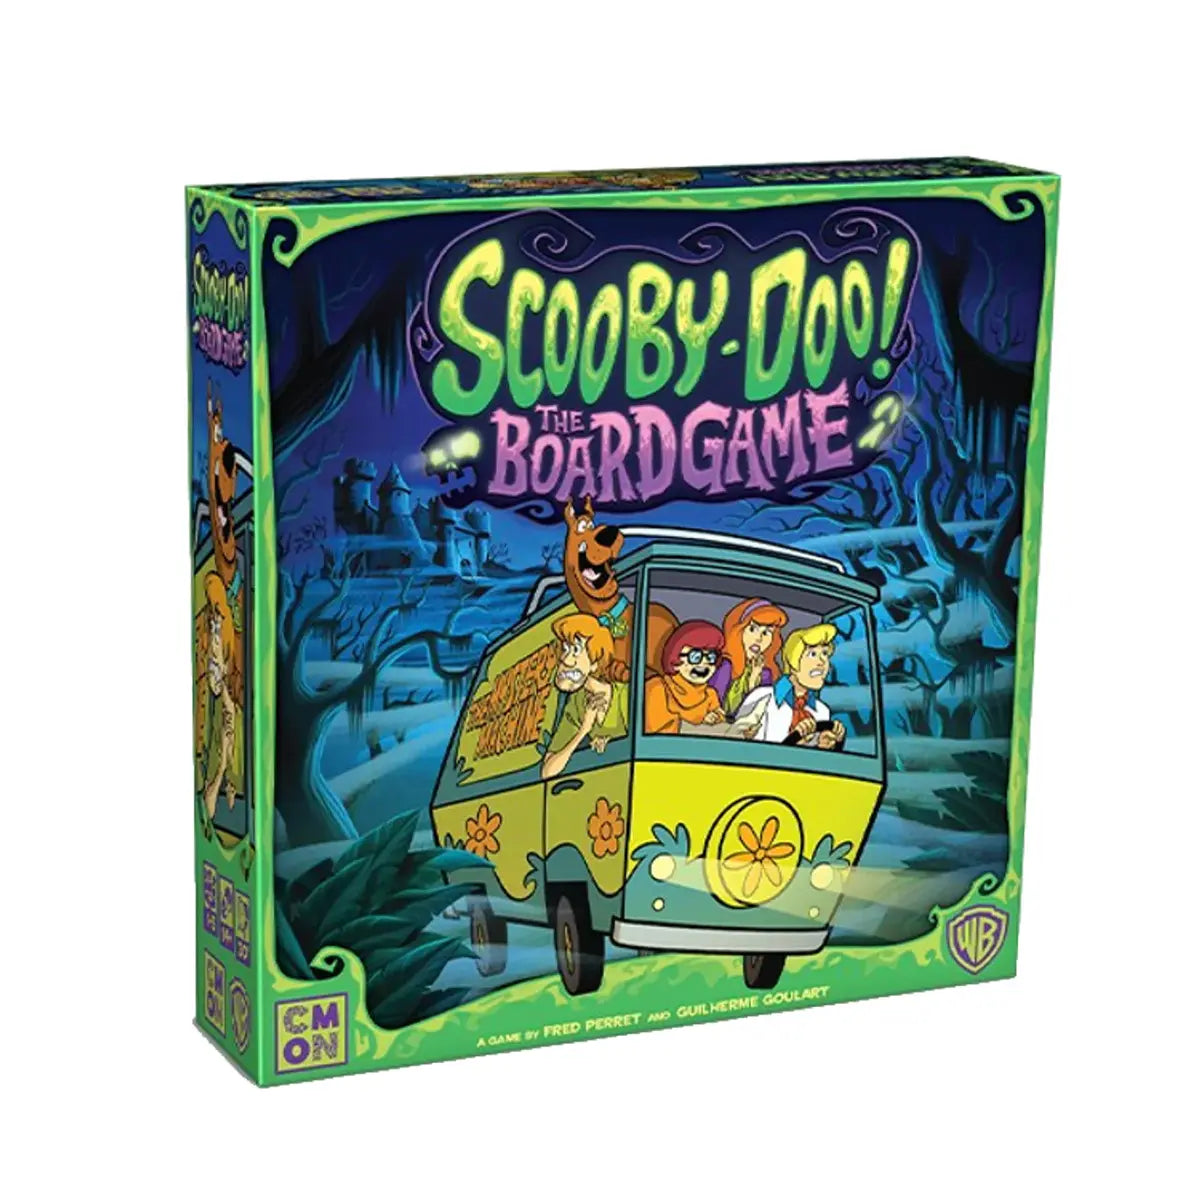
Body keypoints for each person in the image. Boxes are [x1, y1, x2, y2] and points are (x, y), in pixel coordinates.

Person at [541, 613, 629, 780]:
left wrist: (611, 744)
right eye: (565, 649)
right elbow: (547, 771)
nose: (565, 659)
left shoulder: (624, 694)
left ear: (595, 663)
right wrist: (583, 731)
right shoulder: (577, 702)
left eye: (575, 650)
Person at [734, 623, 846, 749]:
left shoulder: (822, 711)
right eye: (812, 654)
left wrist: (824, 745)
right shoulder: (762, 697)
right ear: (793, 661)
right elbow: (736, 743)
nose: (822, 662)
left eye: (825, 654)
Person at [644, 620, 725, 734]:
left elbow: (721, 722)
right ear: (675, 660)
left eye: (711, 657)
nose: (704, 663)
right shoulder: (658, 688)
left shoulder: (710, 694)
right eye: (695, 656)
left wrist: (716, 718)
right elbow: (653, 732)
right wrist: (700, 722)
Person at [710, 597, 788, 718]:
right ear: (739, 631)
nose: (758, 638)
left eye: (766, 633)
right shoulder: (725, 666)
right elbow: (718, 710)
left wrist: (753, 682)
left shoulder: (766, 673)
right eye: (752, 629)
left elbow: (762, 713)